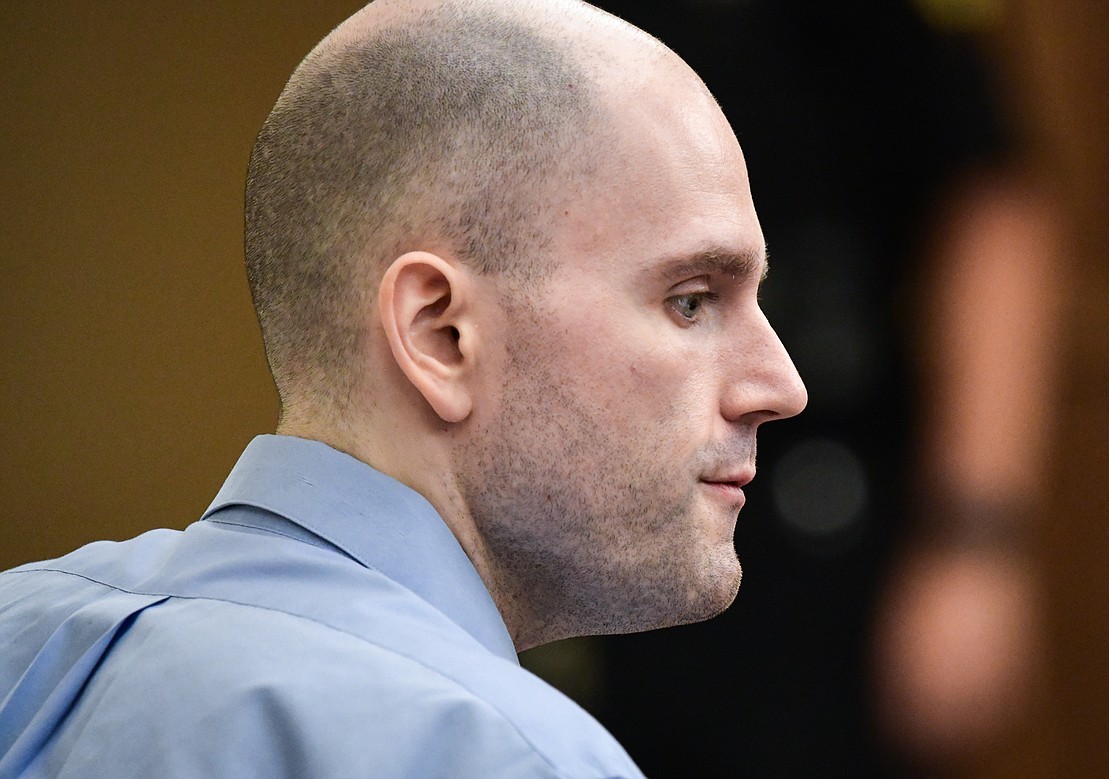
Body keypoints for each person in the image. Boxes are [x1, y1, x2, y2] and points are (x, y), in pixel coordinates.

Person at [0, 1, 806, 777]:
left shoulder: (18, 639)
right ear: (439, 335)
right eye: (690, 300)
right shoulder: (510, 757)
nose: (781, 385)